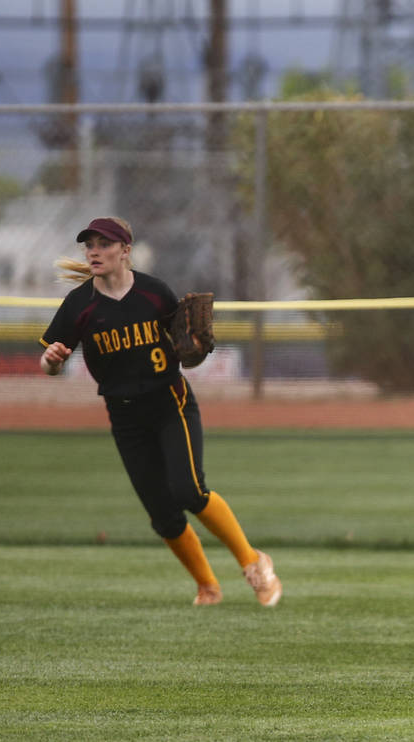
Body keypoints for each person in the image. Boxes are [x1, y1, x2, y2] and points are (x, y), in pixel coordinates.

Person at [39, 216, 282, 607]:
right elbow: (50, 367)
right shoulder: (79, 305)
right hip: (124, 416)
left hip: (171, 405)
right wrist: (51, 361)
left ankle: (254, 563)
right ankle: (208, 586)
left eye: (103, 244)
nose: (94, 251)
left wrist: (198, 348)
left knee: (189, 490)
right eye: (89, 245)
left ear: (125, 251)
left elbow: (189, 354)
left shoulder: (154, 294)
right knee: (162, 514)